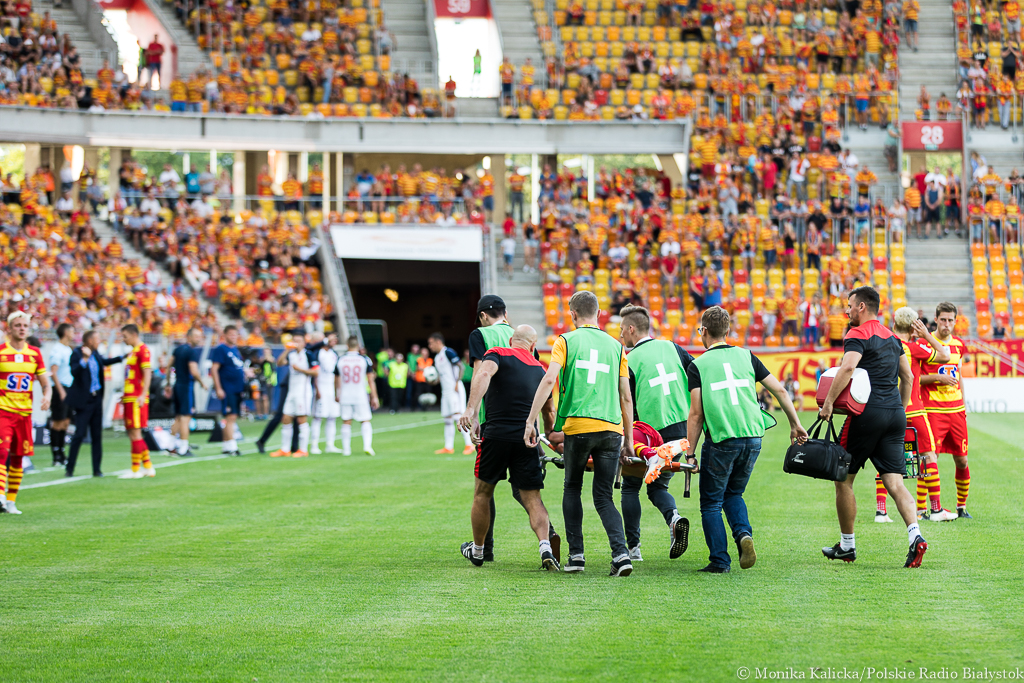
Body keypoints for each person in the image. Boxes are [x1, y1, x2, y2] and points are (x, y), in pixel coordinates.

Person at [684, 306, 807, 573]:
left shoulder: (698, 365)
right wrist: (795, 424)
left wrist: (690, 453)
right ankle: (742, 534)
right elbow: (780, 391)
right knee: (734, 493)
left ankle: (720, 561)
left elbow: (696, 414)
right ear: (728, 331)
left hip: (722, 439)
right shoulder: (746, 356)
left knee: (711, 503)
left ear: (703, 331)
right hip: (753, 437)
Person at [525, 291, 635, 577]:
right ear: (598, 313)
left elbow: (549, 379)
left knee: (572, 487)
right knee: (604, 496)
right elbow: (626, 396)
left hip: (578, 427)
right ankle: (621, 554)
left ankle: (576, 556)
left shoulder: (565, 341)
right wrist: (630, 440)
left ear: (573, 314)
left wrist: (531, 420)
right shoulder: (616, 347)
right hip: (611, 429)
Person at [818, 286, 929, 568]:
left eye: (850, 305)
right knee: (895, 483)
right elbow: (908, 377)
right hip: (895, 414)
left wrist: (828, 403)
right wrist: (898, 410)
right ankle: (915, 536)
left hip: (866, 414)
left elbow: (847, 368)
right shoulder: (893, 337)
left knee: (843, 479)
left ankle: (847, 546)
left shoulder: (857, 334)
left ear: (862, 307)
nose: (847, 310)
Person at [462, 294, 562, 563]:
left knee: (483, 492)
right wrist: (551, 437)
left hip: (495, 433)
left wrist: (471, 411)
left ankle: (480, 550)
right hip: (526, 437)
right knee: (532, 497)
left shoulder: (495, 351)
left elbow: (482, 373)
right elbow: (548, 409)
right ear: (533, 346)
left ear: (510, 341)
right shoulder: (539, 368)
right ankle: (545, 545)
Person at [618, 305, 694, 561]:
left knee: (630, 487)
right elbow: (696, 376)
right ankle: (674, 518)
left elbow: (626, 402)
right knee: (658, 486)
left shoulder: (628, 359)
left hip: (648, 434)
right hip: (681, 431)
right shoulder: (673, 348)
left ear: (631, 329)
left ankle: (633, 549)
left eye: (622, 329)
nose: (621, 335)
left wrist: (627, 439)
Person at [886, 308, 953, 524]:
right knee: (929, 457)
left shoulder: (885, 344)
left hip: (888, 411)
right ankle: (936, 509)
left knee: (886, 459)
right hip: (913, 410)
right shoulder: (913, 347)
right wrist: (926, 335)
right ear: (914, 327)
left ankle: (881, 511)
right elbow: (945, 355)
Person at [919, 302, 972, 519]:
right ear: (936, 319)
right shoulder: (924, 344)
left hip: (957, 411)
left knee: (962, 460)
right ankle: (922, 509)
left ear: (955, 321)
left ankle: (961, 507)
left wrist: (964, 404)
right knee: (929, 458)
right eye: (943, 320)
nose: (947, 324)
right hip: (933, 410)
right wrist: (937, 378)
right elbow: (915, 378)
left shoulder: (959, 344)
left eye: (950, 320)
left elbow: (959, 375)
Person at [0, 312, 51, 514]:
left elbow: (45, 382)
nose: (22, 329)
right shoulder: (1, 352)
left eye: (25, 325)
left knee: (18, 457)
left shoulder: (35, 354)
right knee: (2, 452)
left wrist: (47, 396)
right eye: (18, 325)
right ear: (9, 328)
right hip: (4, 411)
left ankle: (11, 501)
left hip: (24, 414)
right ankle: (0, 495)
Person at [66, 331, 124, 478]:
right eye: (97, 339)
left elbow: (104, 362)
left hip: (96, 399)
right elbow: (74, 372)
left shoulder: (96, 353)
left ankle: (97, 469)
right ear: (90, 340)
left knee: (97, 435)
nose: (99, 341)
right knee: (79, 434)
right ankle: (70, 468)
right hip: (84, 401)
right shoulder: (77, 353)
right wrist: (84, 359)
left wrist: (122, 358)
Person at [118, 324, 155, 480]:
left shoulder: (143, 350)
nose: (123, 339)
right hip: (130, 397)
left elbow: (147, 373)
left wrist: (142, 394)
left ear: (134, 335)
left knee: (135, 433)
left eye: (125, 336)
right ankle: (148, 467)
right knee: (133, 433)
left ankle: (135, 469)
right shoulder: (133, 352)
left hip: (136, 398)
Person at [271, 334, 317, 458]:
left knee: (301, 419)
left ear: (304, 343)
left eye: (299, 341)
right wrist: (286, 350)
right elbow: (279, 363)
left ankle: (303, 449)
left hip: (303, 392)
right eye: (294, 340)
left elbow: (316, 372)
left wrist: (300, 369)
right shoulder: (291, 355)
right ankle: (285, 449)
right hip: (292, 391)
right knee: (286, 418)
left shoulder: (308, 355)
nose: (296, 343)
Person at [428, 333, 473, 455]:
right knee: (447, 419)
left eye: (431, 343)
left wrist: (457, 382)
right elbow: (441, 376)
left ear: (438, 342)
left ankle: (469, 444)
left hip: (454, 389)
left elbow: (461, 366)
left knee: (458, 417)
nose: (430, 346)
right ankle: (448, 447)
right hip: (445, 391)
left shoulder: (448, 352)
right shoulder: (437, 358)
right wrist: (432, 381)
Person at [336, 336, 379, 456]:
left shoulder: (341, 359)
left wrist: (337, 393)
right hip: (360, 394)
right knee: (365, 420)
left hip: (345, 394)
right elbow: (370, 380)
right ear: (358, 346)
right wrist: (374, 396)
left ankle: (346, 449)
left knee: (346, 421)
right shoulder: (363, 359)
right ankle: (367, 446)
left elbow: (337, 379)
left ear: (347, 345)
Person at [210, 325, 247, 456]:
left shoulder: (235, 349)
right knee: (230, 416)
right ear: (225, 335)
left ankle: (226, 445)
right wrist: (218, 388)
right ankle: (232, 446)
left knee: (233, 416)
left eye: (235, 334)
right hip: (228, 388)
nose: (233, 337)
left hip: (237, 388)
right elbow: (214, 369)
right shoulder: (221, 349)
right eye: (231, 334)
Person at [171, 328, 207, 458]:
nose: (199, 339)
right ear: (189, 337)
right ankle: (183, 448)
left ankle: (171, 446)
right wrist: (202, 383)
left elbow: (169, 365)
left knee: (179, 417)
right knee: (186, 418)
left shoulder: (178, 350)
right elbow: (194, 371)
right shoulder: (192, 352)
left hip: (177, 384)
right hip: (186, 386)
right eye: (196, 336)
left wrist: (168, 382)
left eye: (200, 336)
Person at [47, 323, 74, 467]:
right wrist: (61, 390)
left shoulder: (67, 349)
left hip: (69, 388)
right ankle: (56, 455)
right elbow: (53, 372)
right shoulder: (57, 349)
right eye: (71, 330)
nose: (73, 333)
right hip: (60, 388)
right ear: (65, 332)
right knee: (57, 421)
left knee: (66, 421)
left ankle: (62, 453)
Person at [310, 333, 340, 454]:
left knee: (332, 417)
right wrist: (317, 388)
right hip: (322, 386)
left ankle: (330, 444)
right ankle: (314, 445)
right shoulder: (317, 353)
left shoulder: (334, 354)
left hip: (332, 387)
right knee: (318, 417)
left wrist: (338, 390)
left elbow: (337, 374)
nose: (334, 341)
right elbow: (315, 372)